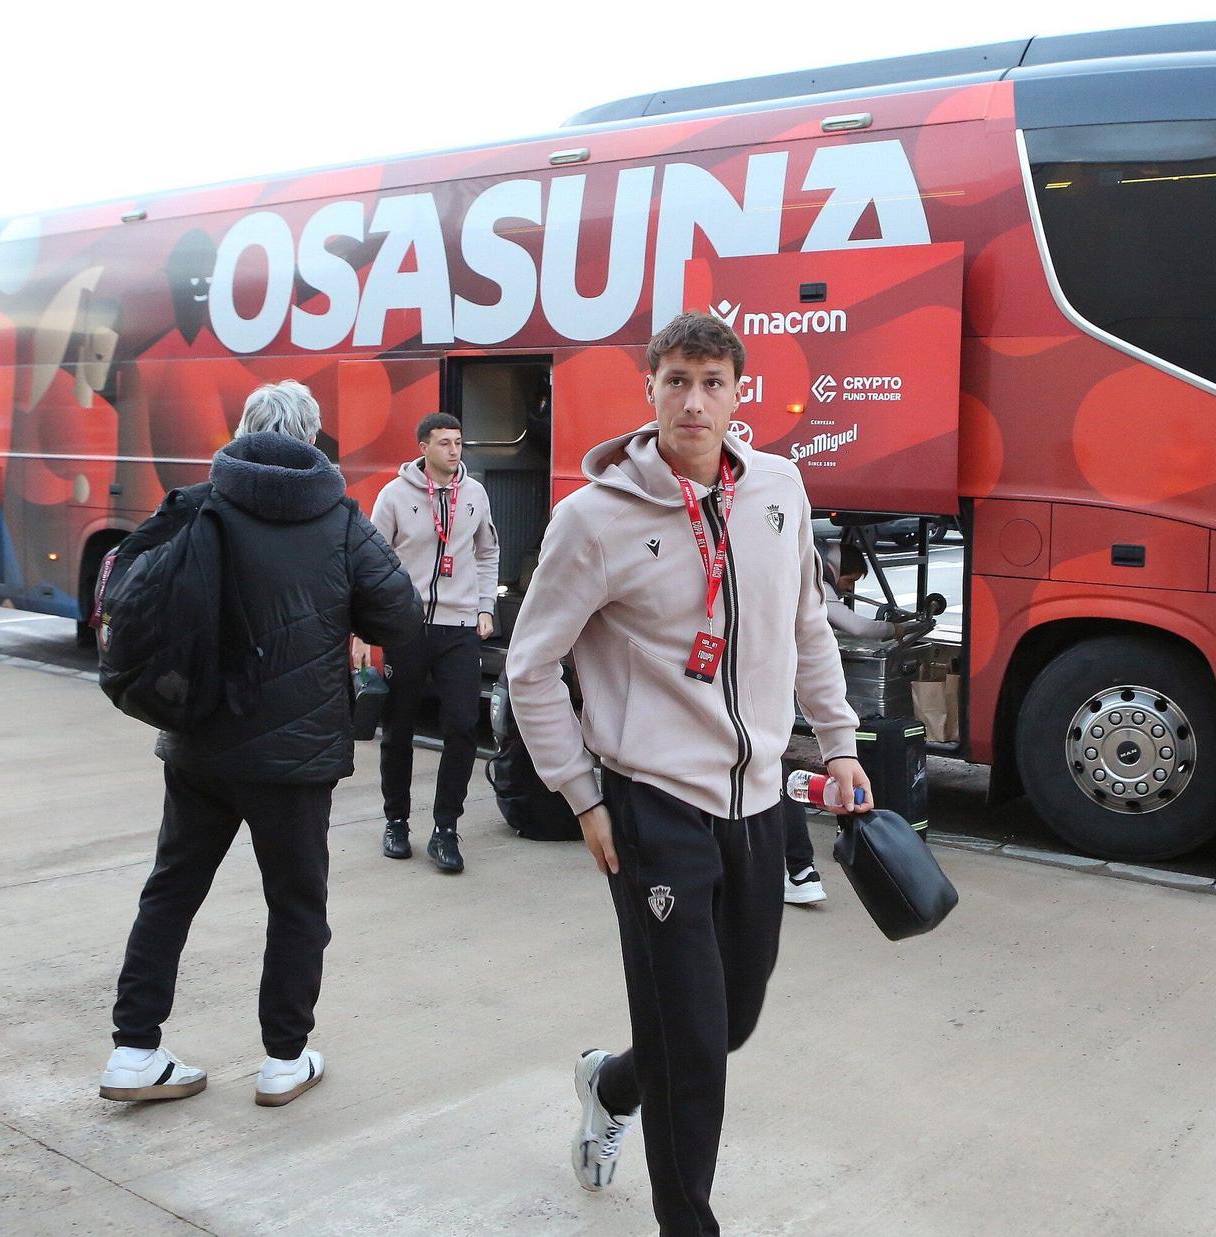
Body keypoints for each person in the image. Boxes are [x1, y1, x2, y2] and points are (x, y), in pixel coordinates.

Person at [505, 311, 870, 1235]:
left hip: (758, 802)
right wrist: (581, 794)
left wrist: (839, 741)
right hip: (652, 803)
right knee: (696, 1051)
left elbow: (807, 627)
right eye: (676, 380)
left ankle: (609, 1079)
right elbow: (530, 664)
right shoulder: (594, 520)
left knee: (728, 1019)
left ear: (739, 393)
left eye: (712, 381)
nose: (694, 400)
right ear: (650, 391)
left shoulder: (780, 490)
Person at [98, 381, 420, 1108]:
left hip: (200, 742)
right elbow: (399, 615)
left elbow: (133, 589)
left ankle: (134, 1049)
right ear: (312, 439)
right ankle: (283, 1058)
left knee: (171, 890)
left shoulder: (200, 503)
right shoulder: (337, 519)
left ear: (243, 430)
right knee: (297, 904)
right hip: (295, 760)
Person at [362, 412, 500, 873]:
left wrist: (485, 606)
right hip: (406, 625)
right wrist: (366, 628)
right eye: (444, 443)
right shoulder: (395, 496)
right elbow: (372, 564)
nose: (454, 451)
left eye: (459, 442)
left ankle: (446, 827)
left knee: (461, 724)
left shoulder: (474, 494)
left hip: (458, 626)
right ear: (423, 446)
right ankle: (396, 820)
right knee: (398, 727)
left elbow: (486, 551)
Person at [781, 535, 936, 905]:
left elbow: (817, 639)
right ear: (843, 569)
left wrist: (839, 747)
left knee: (771, 774)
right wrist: (897, 630)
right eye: (851, 581)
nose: (847, 589)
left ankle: (800, 871)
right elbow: (847, 624)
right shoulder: (815, 565)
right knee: (774, 774)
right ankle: (800, 870)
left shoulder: (801, 547)